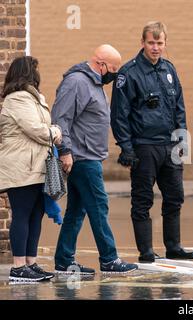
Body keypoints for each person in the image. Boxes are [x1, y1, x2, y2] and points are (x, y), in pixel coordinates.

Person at [111, 21, 193, 263]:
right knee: (143, 199)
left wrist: (181, 139)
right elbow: (119, 115)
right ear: (142, 43)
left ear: (165, 43)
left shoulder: (169, 70)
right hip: (144, 145)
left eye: (160, 43)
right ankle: (146, 251)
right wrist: (126, 147)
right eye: (151, 42)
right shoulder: (128, 74)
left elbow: (179, 108)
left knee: (175, 196)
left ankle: (174, 247)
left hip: (169, 145)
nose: (155, 47)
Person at [51, 45, 138, 274]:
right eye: (113, 69)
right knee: (99, 206)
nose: (115, 74)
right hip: (82, 158)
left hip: (88, 156)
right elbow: (61, 118)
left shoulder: (95, 84)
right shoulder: (77, 82)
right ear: (100, 64)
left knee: (77, 210)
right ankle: (109, 259)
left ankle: (63, 260)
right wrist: (65, 151)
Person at [0, 56, 62, 282]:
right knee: (23, 214)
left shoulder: (34, 98)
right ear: (26, 73)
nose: (38, 74)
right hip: (20, 167)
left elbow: (42, 128)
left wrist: (51, 130)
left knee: (36, 215)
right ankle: (18, 267)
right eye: (35, 70)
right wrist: (54, 131)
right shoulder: (16, 99)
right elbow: (36, 130)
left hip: (36, 166)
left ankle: (30, 263)